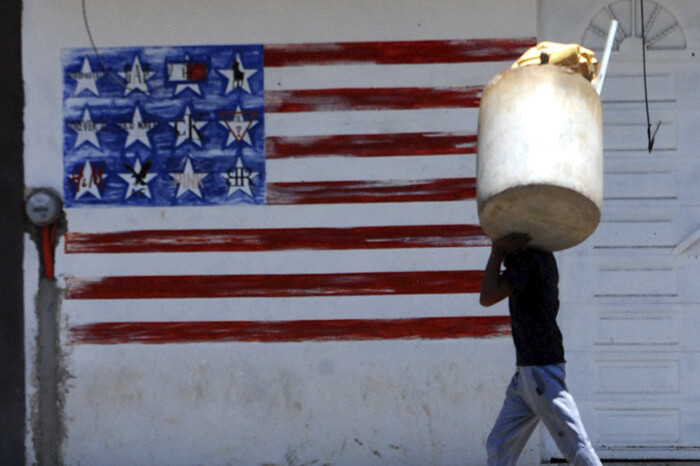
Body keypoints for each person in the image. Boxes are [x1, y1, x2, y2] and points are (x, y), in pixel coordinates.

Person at [480, 232, 602, 466]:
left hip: (541, 372)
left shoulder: (530, 260)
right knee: (498, 445)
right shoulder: (534, 257)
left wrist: (496, 253)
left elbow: (487, 296)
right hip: (526, 375)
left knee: (575, 447)